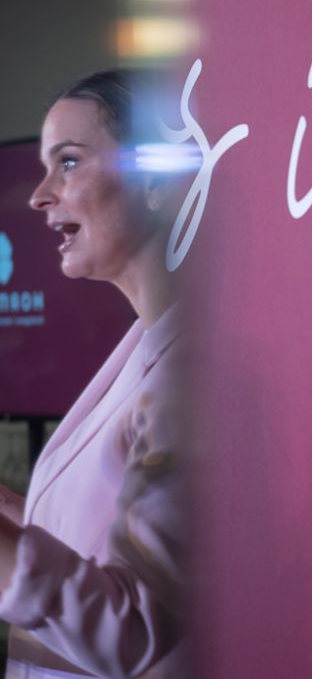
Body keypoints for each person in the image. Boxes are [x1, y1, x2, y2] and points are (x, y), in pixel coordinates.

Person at [0, 71, 187, 678]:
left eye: (69, 162)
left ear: (154, 180)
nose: (38, 195)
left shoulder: (192, 378)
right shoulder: (144, 348)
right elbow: (97, 535)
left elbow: (134, 629)